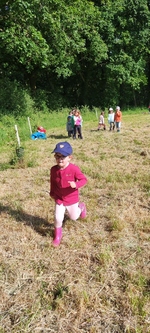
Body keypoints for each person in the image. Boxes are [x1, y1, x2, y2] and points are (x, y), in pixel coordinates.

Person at [50, 141, 87, 246]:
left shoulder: (74, 169)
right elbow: (52, 181)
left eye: (63, 157)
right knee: (57, 217)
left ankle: (81, 207)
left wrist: (76, 184)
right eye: (57, 156)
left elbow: (84, 180)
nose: (59, 159)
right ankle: (57, 236)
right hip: (59, 198)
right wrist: (52, 192)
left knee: (74, 217)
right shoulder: (53, 170)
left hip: (71, 199)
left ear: (70, 157)